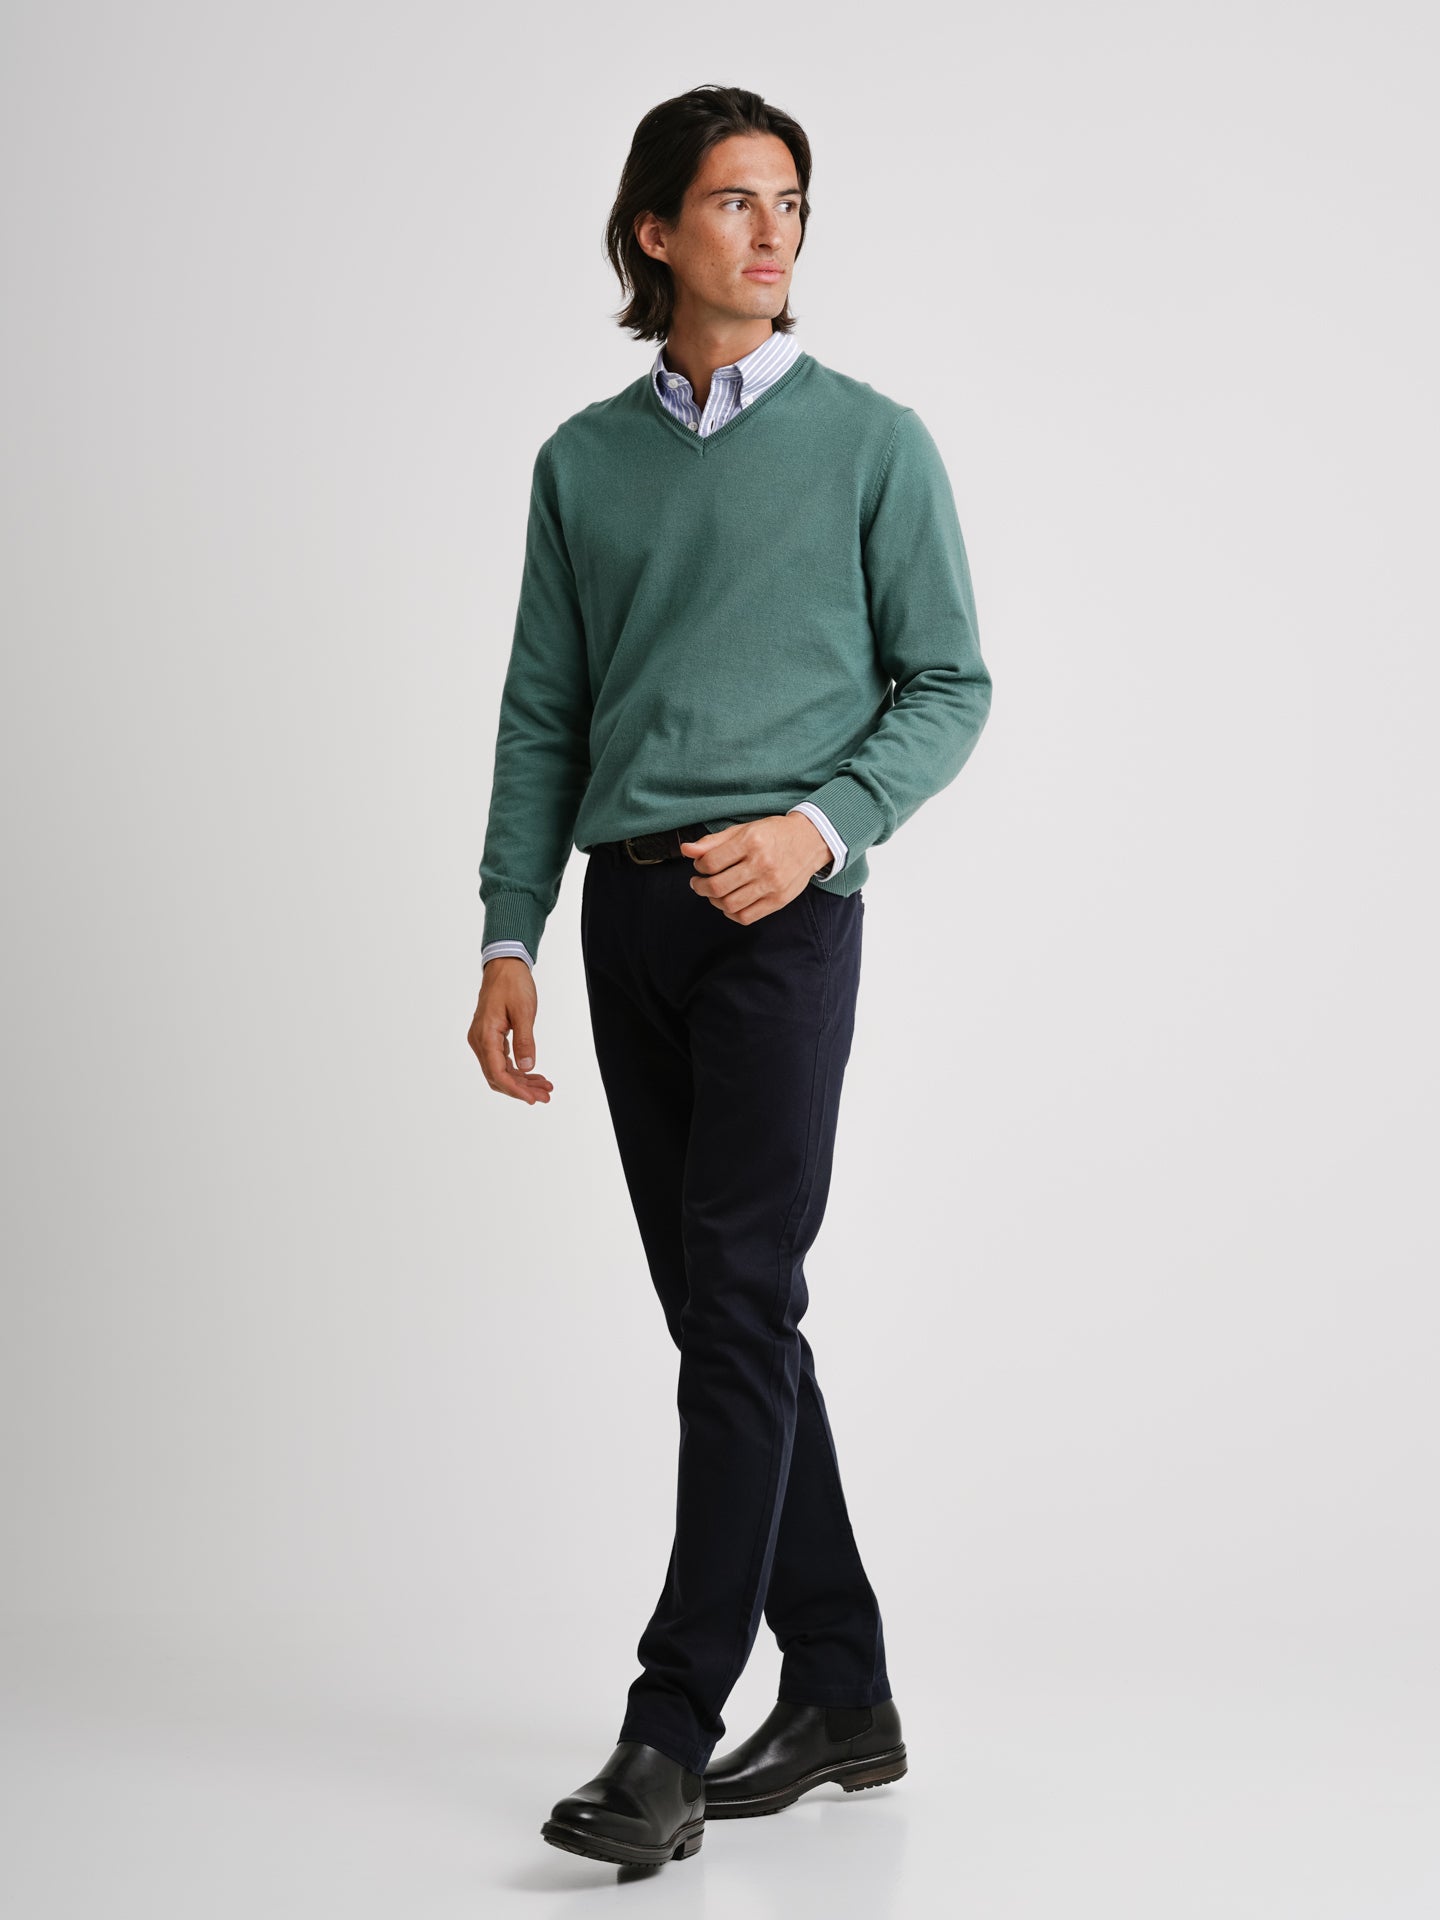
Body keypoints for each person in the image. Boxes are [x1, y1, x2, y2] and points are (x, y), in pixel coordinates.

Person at [467, 82, 992, 1869]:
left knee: (740, 1299)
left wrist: (820, 831)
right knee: (727, 1316)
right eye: (735, 201)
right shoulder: (582, 465)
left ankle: (668, 1729)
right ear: (655, 231)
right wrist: (510, 931)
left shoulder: (873, 444)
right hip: (626, 924)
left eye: (792, 203)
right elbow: (545, 713)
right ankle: (842, 1688)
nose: (773, 231)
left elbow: (950, 684)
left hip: (782, 921)